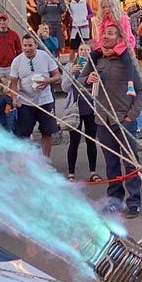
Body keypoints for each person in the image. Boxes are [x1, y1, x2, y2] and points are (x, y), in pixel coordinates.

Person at [88, 22, 142, 217]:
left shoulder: (128, 61)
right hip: (102, 121)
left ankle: (134, 202)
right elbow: (79, 82)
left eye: (111, 33)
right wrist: (87, 80)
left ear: (120, 39)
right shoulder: (96, 59)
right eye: (104, 33)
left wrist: (131, 117)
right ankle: (115, 202)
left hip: (124, 120)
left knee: (130, 163)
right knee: (111, 164)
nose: (105, 36)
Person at [9, 33, 62, 157]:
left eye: (30, 45)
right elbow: (13, 82)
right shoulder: (17, 61)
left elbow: (57, 75)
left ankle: (45, 161)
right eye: (25, 45)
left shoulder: (45, 56)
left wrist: (49, 80)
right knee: (24, 135)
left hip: (45, 100)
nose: (27, 48)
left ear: (36, 45)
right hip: (26, 102)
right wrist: (14, 98)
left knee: (47, 132)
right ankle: (27, 161)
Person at [62, 40, 99, 182]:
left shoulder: (95, 66)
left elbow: (99, 88)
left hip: (91, 108)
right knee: (74, 141)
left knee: (91, 141)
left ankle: (93, 172)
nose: (84, 52)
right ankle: (71, 173)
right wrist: (70, 73)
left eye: (87, 50)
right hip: (76, 109)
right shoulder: (70, 66)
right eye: (82, 49)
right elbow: (65, 88)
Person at [0, 12, 23, 130]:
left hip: (11, 66)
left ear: (7, 22)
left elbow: (19, 50)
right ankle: (2, 119)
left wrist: (19, 64)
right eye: (0, 20)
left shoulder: (14, 34)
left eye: (4, 20)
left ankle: (15, 115)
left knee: (13, 89)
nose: (2, 22)